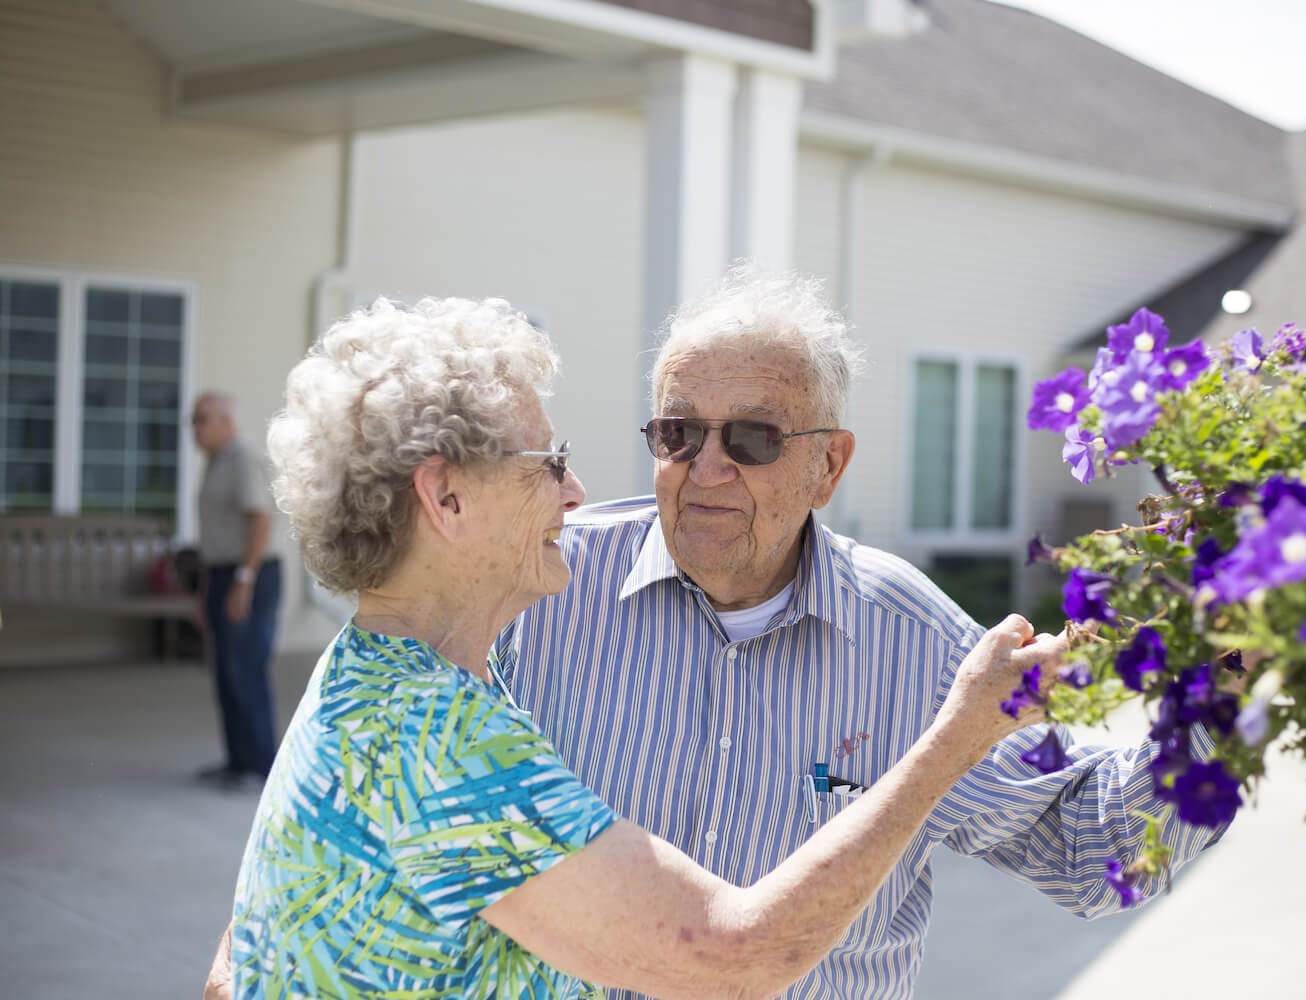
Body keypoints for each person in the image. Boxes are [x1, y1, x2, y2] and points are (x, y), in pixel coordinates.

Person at [208, 296, 1067, 1000]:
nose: (578, 492)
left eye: (752, 439)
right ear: (448, 499)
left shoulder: (381, 674)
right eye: (548, 463)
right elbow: (735, 958)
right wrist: (957, 734)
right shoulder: (436, 737)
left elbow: (237, 963)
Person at [488, 265, 1232, 999]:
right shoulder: (537, 594)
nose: (706, 467)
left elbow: (1092, 843)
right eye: (678, 433)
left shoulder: (914, 642)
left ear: (828, 465)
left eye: (752, 438)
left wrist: (1239, 679)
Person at [191, 391, 282, 789]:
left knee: (246, 669)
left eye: (201, 419)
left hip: (251, 576)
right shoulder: (215, 463)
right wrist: (205, 592)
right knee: (226, 673)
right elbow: (217, 537)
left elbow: (260, 522)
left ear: (227, 422)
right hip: (223, 574)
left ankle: (261, 767)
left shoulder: (241, 459)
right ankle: (237, 761)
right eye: (192, 420)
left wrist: (243, 582)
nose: (194, 428)